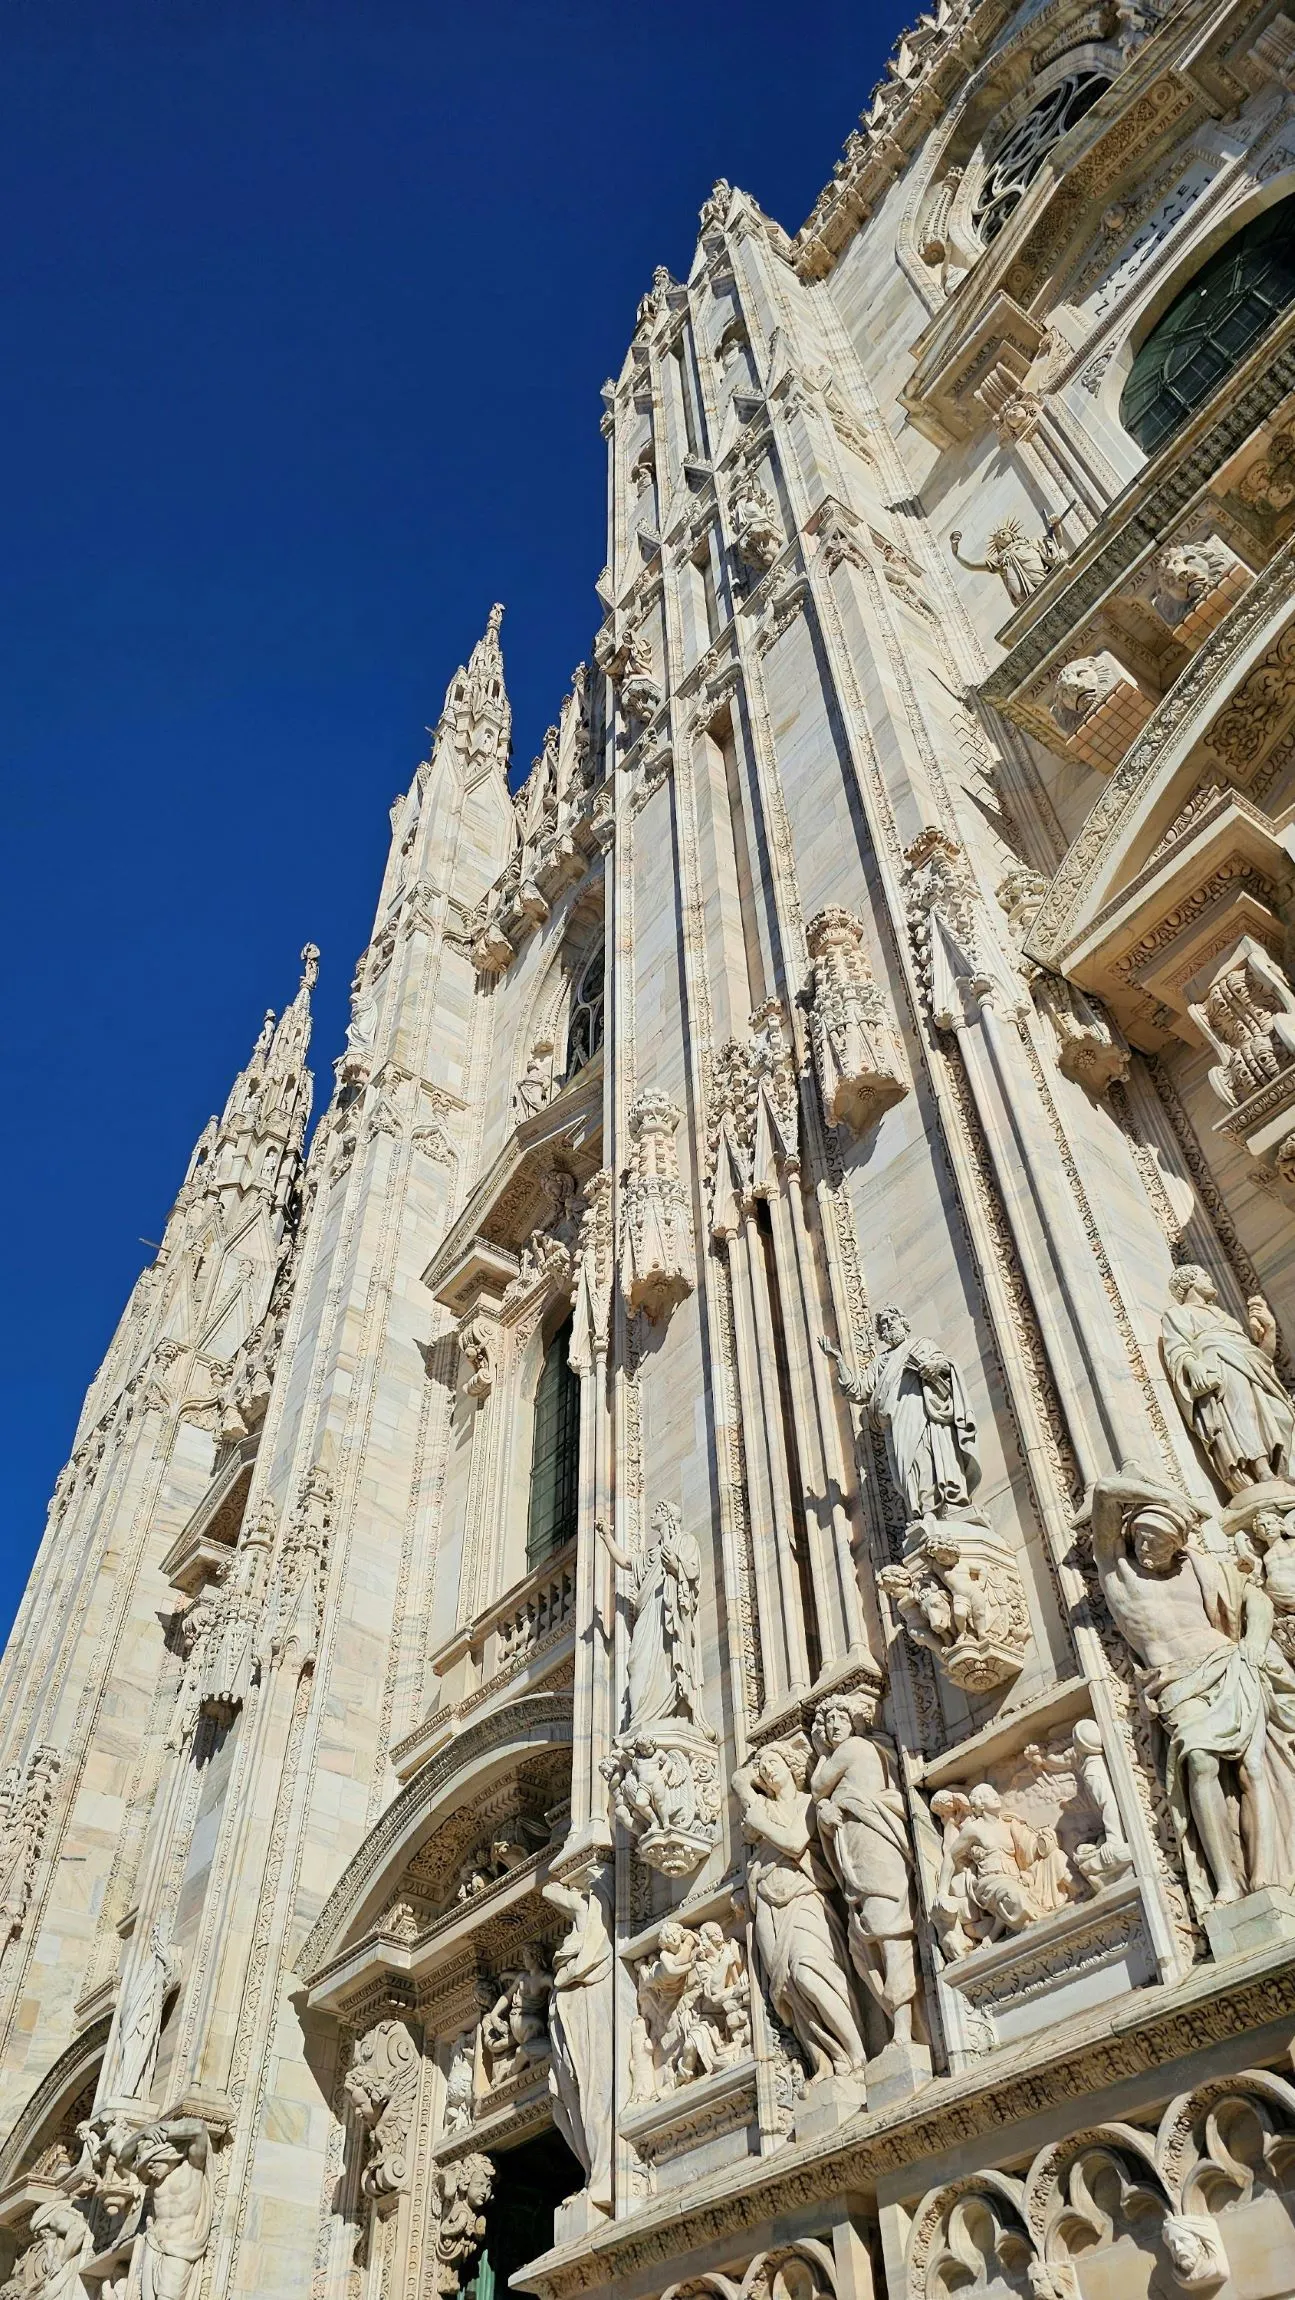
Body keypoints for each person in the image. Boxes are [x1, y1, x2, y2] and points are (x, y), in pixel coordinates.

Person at [1082, 1465, 1295, 1904]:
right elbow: (1104, 1490)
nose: (1146, 1549)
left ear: (1177, 1544)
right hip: (1176, 1683)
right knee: (1198, 1761)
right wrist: (1172, 1500)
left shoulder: (1197, 1568)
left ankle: (1266, 1878)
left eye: (1157, 1544)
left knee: (1254, 1771)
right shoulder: (1117, 1571)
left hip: (1229, 1667)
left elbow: (1253, 1598)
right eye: (1141, 1539)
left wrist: (1254, 1643)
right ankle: (1225, 1882)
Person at [733, 1741, 866, 2081]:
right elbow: (737, 1780)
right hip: (766, 1900)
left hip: (803, 1896)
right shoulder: (761, 1807)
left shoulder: (807, 1804)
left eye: (773, 1761)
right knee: (787, 1987)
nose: (768, 1770)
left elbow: (794, 1843)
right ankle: (825, 2061)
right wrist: (749, 1783)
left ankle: (857, 2052)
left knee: (808, 1972)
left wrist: (760, 1823)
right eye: (762, 1769)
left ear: (791, 1766)